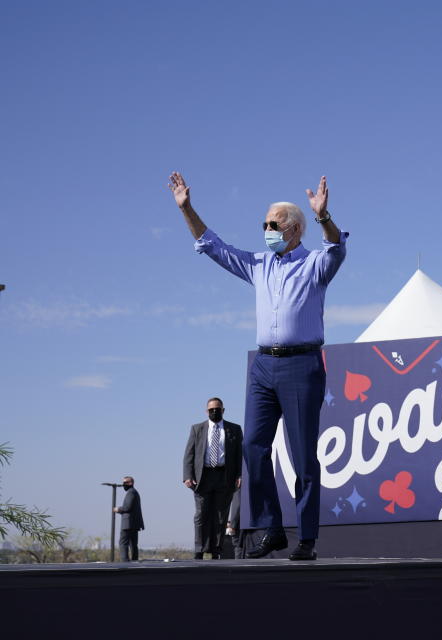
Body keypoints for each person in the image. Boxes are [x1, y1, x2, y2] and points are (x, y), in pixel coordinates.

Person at [168, 171, 346, 561]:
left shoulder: (314, 264)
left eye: (273, 224)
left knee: (302, 457)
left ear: (295, 230)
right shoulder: (260, 265)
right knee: (251, 447)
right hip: (263, 367)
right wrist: (187, 209)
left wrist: (323, 216)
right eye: (264, 224)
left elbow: (336, 248)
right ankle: (272, 528)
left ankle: (308, 539)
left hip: (302, 366)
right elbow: (213, 246)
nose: (266, 229)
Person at [183, 397, 243, 559]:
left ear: (223, 410)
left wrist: (240, 475)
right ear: (206, 411)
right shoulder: (197, 429)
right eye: (211, 410)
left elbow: (240, 456)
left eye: (217, 409)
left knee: (221, 515)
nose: (214, 412)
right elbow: (189, 453)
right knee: (201, 514)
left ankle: (217, 549)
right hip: (203, 477)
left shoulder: (235, 429)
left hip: (225, 477)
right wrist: (187, 476)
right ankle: (199, 549)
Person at [112, 476, 144, 562]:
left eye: (125, 482)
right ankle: (134, 561)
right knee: (133, 544)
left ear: (131, 483)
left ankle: (125, 562)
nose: (123, 484)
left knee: (123, 543)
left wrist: (117, 509)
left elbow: (127, 507)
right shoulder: (134, 492)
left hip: (128, 524)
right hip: (133, 523)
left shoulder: (131, 492)